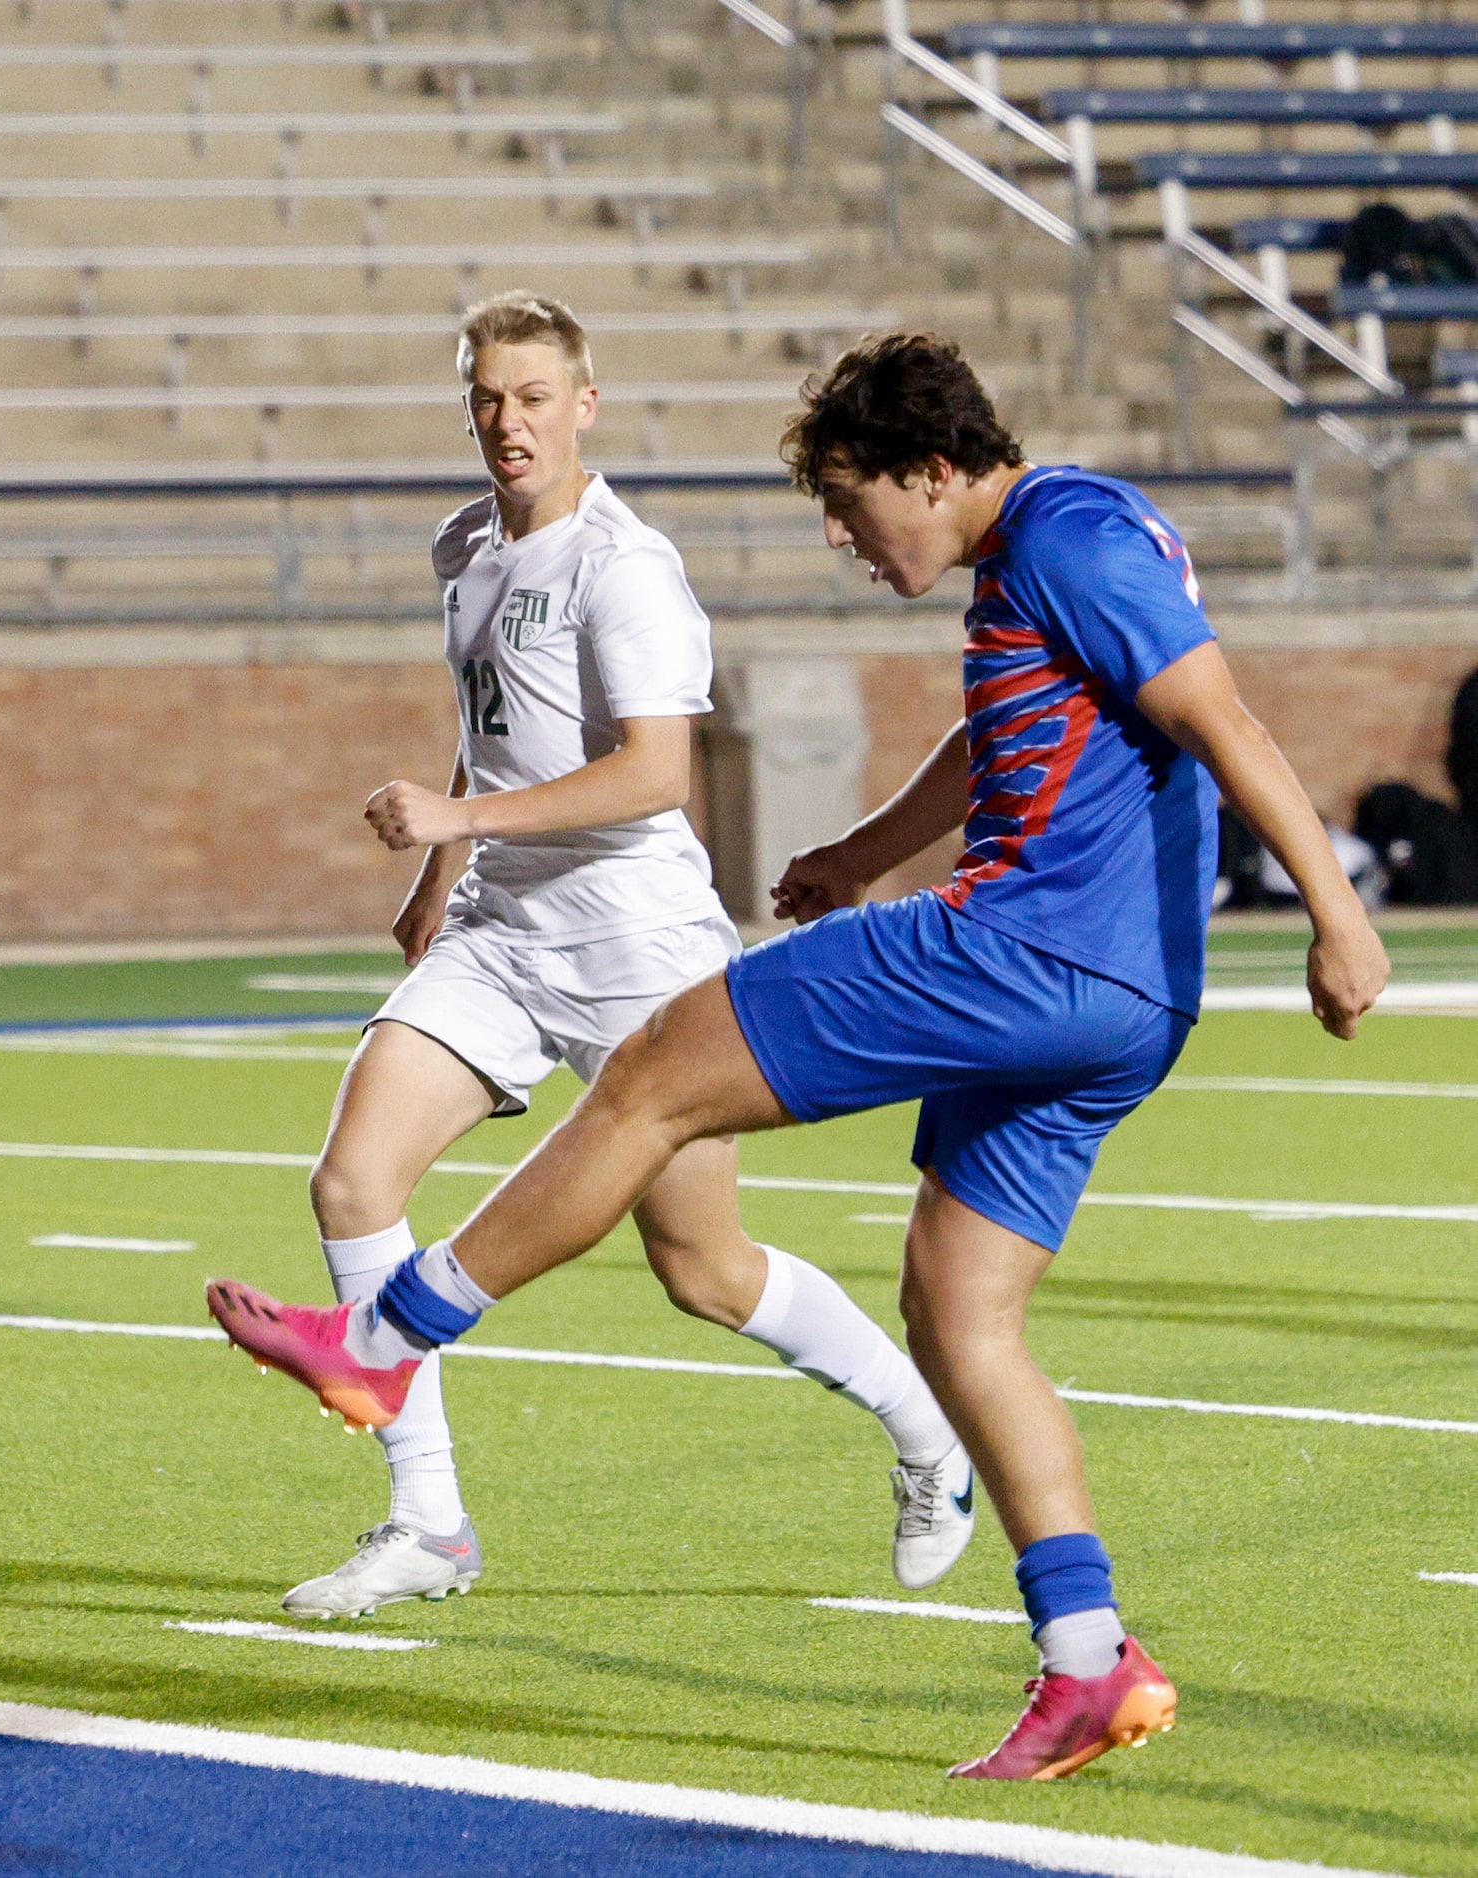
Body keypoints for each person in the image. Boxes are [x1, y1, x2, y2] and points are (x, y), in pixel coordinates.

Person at [208, 332, 1389, 1779]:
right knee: (956, 1312)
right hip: (1121, 1004)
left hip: (1023, 951)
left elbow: (1218, 715)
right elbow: (1000, 738)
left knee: (647, 1073)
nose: (839, 534)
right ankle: (1087, 1659)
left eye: (848, 500)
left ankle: (385, 1341)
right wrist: (861, 850)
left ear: (934, 467)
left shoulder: (1064, 535)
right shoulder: (1052, 546)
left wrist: (1336, 915)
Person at [280, 293, 973, 1623]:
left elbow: (654, 776)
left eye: (531, 396)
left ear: (582, 403)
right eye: (485, 396)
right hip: (498, 929)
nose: (505, 422)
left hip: (631, 941)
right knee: (352, 1178)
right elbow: (487, 732)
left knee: (700, 1267)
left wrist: (457, 824)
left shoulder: (624, 567)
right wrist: (441, 879)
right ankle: (427, 1521)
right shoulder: (463, 546)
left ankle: (923, 1431)